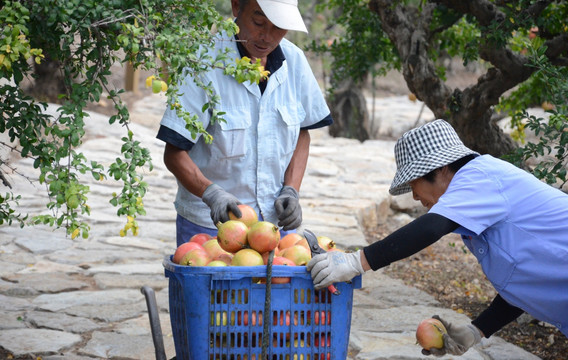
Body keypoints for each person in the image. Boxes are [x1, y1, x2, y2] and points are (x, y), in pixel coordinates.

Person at [307, 119, 568, 356]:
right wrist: (478, 330)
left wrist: (356, 262)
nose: (415, 198)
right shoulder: (478, 201)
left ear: (441, 169)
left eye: (413, 185)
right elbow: (524, 279)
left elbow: (431, 228)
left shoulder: (480, 177)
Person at [157, 0, 332, 246]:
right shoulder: (203, 62)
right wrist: (211, 193)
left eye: (279, 27)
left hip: (271, 226)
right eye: (258, 22)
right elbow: (174, 152)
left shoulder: (295, 62)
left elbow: (301, 133)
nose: (267, 37)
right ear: (236, 6)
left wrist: (291, 189)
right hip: (209, 227)